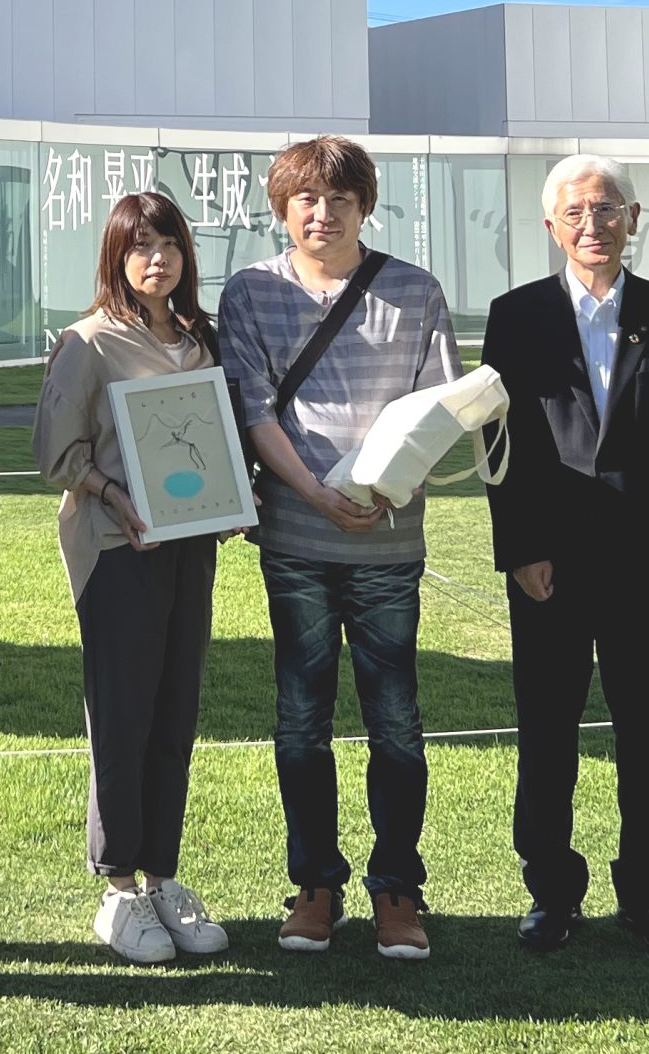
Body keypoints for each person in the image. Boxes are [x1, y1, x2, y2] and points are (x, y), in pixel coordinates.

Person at [218, 135, 461, 963]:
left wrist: (392, 486)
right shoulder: (250, 292)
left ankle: (398, 888)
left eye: (340, 200)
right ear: (282, 207)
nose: (323, 215)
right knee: (301, 720)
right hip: (295, 539)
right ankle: (314, 883)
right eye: (306, 201)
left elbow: (442, 410)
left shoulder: (414, 291)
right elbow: (253, 411)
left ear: (366, 205)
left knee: (397, 721)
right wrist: (317, 492)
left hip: (390, 543)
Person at [481, 153, 649, 967]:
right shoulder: (514, 317)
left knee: (648, 735)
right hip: (549, 563)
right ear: (551, 226)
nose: (593, 225)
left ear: (634, 219)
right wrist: (520, 548)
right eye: (576, 212)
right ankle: (551, 893)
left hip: (647, 564)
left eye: (607, 209)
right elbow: (497, 446)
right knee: (548, 731)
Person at [34, 191, 233, 965]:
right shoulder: (88, 343)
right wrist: (120, 498)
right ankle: (118, 891)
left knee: (176, 712)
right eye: (141, 246)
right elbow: (58, 454)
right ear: (117, 256)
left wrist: (227, 497)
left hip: (190, 548)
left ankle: (163, 880)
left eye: (171, 246)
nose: (159, 259)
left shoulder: (196, 340)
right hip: (118, 551)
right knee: (123, 717)